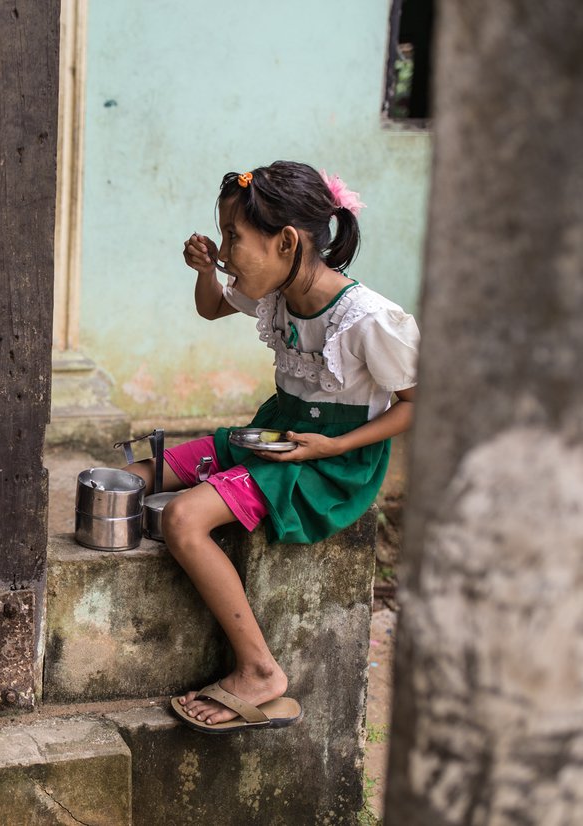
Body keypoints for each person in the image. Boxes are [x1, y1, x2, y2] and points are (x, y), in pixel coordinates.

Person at [128, 161, 419, 733]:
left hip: (330, 465)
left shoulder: (369, 321)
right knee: (143, 471)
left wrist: (331, 447)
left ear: (286, 242)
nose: (227, 253)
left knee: (185, 518)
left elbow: (417, 402)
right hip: (275, 437)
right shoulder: (278, 293)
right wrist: (203, 269)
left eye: (234, 239)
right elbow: (211, 306)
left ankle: (260, 670)